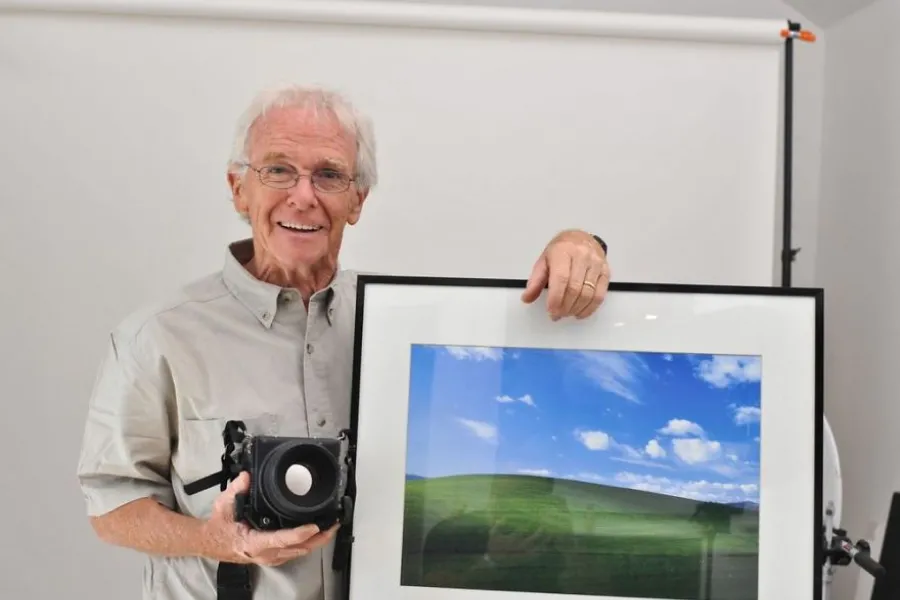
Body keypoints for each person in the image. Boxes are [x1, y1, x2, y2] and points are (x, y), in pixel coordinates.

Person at [76, 84, 612, 600]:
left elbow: (514, 334)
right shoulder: (160, 337)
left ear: (356, 200)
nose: (303, 196)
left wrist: (579, 244)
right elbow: (111, 506)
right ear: (239, 187)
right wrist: (215, 542)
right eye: (278, 169)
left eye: (328, 175)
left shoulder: (405, 326)